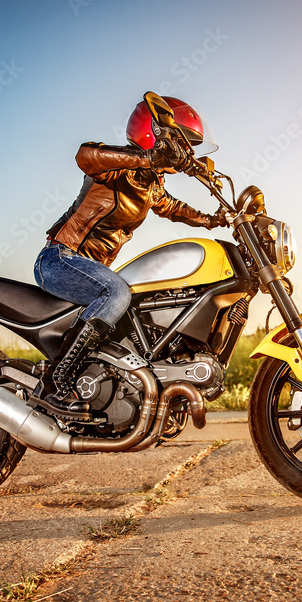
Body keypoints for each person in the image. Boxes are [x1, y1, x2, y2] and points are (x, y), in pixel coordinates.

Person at [34, 96, 226, 413]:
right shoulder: (117, 168)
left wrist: (214, 219)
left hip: (91, 268)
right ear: (151, 132)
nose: (183, 151)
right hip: (60, 259)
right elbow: (86, 156)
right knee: (116, 291)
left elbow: (174, 208)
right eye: (178, 140)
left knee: (138, 303)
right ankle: (58, 380)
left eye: (187, 146)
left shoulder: (151, 185)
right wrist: (148, 157)